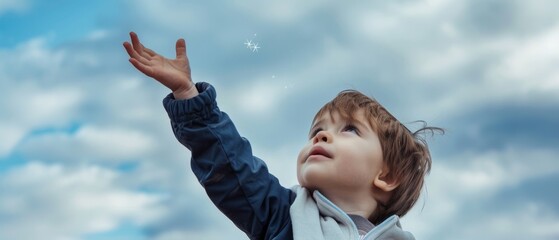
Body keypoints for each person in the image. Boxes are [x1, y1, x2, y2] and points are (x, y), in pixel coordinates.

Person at [123, 32, 443, 240]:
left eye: (349, 129)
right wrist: (189, 95)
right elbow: (232, 167)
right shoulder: (281, 215)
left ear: (386, 175)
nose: (321, 137)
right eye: (317, 131)